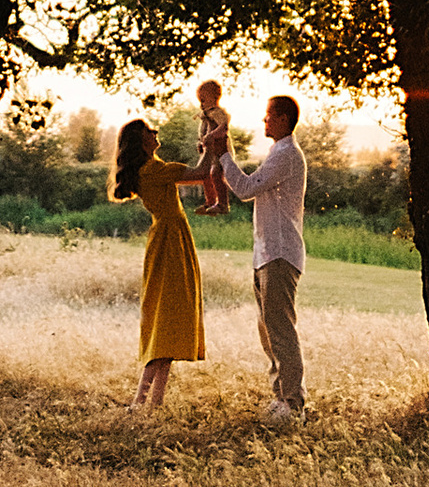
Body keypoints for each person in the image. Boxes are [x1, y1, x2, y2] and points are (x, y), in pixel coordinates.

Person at [213, 90, 307, 423]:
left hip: (280, 253)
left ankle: (292, 403)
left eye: (268, 115)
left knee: (280, 329)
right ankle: (282, 397)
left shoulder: (286, 155)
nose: (264, 119)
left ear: (283, 119)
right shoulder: (277, 153)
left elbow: (245, 189)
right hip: (266, 253)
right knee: (268, 330)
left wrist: (224, 155)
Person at [112, 117, 206, 408]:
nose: (156, 134)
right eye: (150, 132)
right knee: (165, 321)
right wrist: (212, 147)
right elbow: (201, 173)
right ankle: (141, 402)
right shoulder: (153, 170)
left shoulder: (152, 168)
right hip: (169, 243)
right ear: (142, 141)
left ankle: (152, 404)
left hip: (170, 239)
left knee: (168, 320)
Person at [195, 79, 231, 215]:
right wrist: (201, 143)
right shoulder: (207, 114)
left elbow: (224, 126)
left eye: (203, 100)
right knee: (206, 175)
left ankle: (222, 204)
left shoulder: (217, 112)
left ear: (215, 97)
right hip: (209, 151)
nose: (201, 104)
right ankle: (210, 201)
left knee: (216, 174)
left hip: (219, 150)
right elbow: (203, 132)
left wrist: (212, 135)